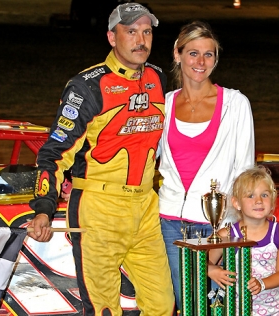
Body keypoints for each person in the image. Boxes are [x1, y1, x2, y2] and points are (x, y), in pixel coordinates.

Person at [26, 2, 175, 315]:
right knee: (105, 309)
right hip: (99, 210)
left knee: (163, 305)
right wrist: (43, 207)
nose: (141, 40)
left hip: (145, 208)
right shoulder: (88, 86)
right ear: (112, 37)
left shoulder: (159, 78)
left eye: (147, 32)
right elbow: (54, 154)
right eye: (131, 31)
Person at [157, 21, 255, 310]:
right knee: (184, 303)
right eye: (193, 53)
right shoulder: (163, 105)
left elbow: (245, 172)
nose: (201, 62)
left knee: (215, 307)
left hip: (217, 228)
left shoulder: (235, 104)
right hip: (171, 223)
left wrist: (233, 230)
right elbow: (147, 159)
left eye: (209, 54)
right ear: (177, 54)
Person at [208, 166, 279, 315]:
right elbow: (203, 262)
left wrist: (262, 284)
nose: (258, 201)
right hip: (237, 310)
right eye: (250, 196)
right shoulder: (226, 234)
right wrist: (213, 270)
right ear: (236, 203)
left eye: (264, 195)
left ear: (272, 201)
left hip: (275, 311)